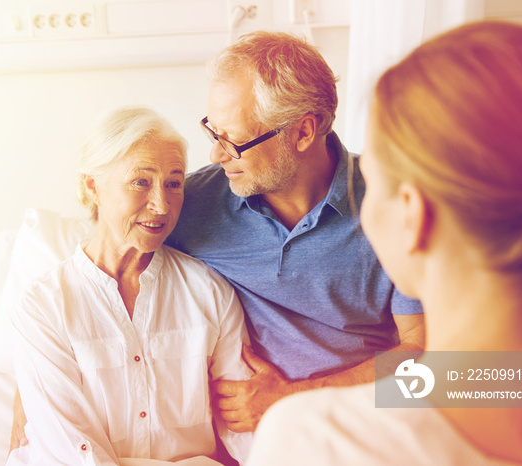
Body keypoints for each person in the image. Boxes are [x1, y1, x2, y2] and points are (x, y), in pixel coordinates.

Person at [246, 21, 522, 465]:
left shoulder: (316, 439)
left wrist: (298, 397)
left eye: (371, 182)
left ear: (414, 216)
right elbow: (488, 380)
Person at [165, 30, 425, 433]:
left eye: (233, 140)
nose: (216, 155)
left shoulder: (388, 205)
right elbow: (101, 259)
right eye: (212, 132)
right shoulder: (194, 202)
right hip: (250, 438)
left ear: (304, 132)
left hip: (366, 421)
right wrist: (31, 382)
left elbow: (426, 353)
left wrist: (294, 398)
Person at [6, 107, 253, 465]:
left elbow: (244, 432)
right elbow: (74, 455)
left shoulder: (210, 292)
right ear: (93, 187)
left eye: (173, 183)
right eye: (141, 181)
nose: (161, 204)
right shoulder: (44, 306)